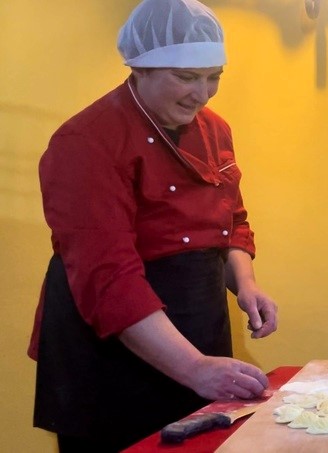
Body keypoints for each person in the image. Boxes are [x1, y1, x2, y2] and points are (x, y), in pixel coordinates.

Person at [27, 1, 278, 450]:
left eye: (213, 76)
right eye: (185, 77)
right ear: (139, 68)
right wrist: (194, 367)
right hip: (114, 343)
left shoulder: (214, 128)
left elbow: (231, 219)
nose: (201, 93)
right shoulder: (85, 141)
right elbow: (109, 279)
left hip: (197, 320)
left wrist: (245, 282)